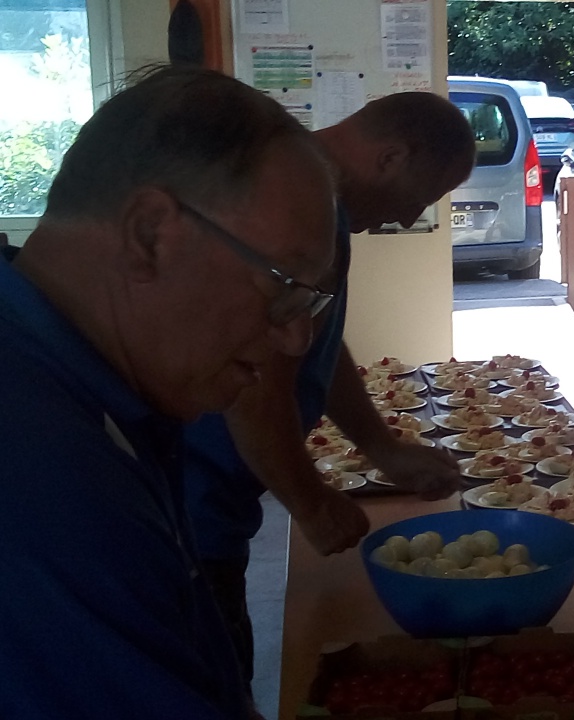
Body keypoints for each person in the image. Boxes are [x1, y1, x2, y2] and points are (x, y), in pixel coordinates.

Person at [0, 66, 336, 718]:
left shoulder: (96, 393)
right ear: (150, 234)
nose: (296, 339)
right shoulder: (45, 477)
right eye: (284, 286)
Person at [183, 92, 474, 688]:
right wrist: (311, 503)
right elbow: (256, 385)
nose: (404, 216)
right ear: (390, 158)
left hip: (211, 507)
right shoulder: (295, 212)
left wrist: (382, 448)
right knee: (206, 683)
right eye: (422, 196)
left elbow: (316, 345)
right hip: (183, 515)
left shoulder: (320, 211)